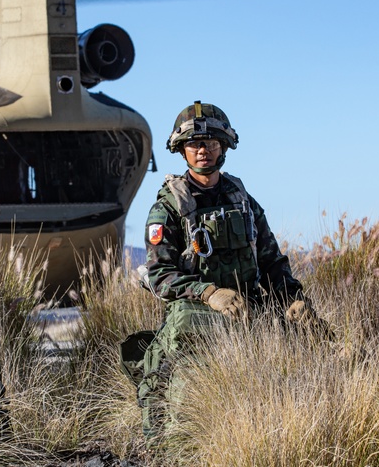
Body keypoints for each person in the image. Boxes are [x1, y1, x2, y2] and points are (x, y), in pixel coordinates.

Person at [135, 101, 330, 438]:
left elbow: (271, 263)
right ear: (182, 150)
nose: (202, 151)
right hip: (198, 324)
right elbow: (159, 275)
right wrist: (209, 293)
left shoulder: (242, 200)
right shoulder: (169, 205)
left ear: (223, 146)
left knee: (320, 369)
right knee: (185, 410)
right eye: (194, 144)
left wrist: (293, 301)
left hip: (251, 318)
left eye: (210, 142)